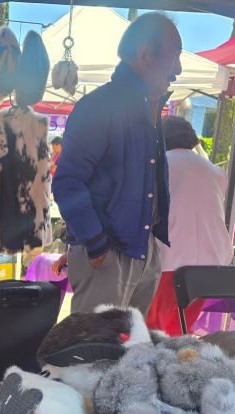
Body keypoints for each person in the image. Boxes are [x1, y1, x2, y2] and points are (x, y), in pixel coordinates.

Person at [52, 12, 181, 315]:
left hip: (140, 248)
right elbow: (67, 182)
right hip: (109, 252)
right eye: (174, 55)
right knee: (94, 343)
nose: (178, 68)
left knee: (130, 343)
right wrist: (96, 244)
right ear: (145, 55)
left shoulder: (148, 108)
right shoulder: (99, 106)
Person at [146, 117, 231, 336]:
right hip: (210, 261)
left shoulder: (157, 166)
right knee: (182, 327)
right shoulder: (214, 170)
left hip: (168, 258)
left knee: (152, 328)